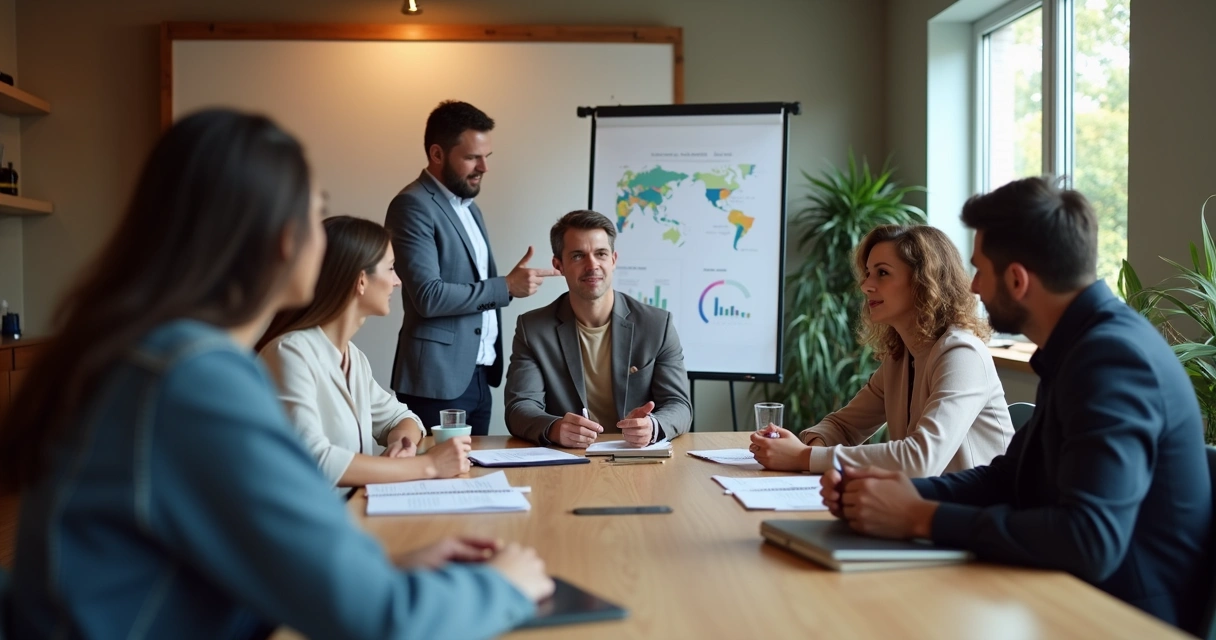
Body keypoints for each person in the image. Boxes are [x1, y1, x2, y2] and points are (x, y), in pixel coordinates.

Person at [0, 109, 552, 639]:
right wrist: (500, 585)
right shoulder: (196, 380)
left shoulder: (158, 357)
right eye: (316, 214)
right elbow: (382, 621)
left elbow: (228, 566)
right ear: (280, 238)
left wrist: (390, 565)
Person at [821, 177, 1213, 635]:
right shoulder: (1079, 347)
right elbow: (1010, 476)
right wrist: (890, 495)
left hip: (1114, 618)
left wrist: (919, 515)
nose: (971, 286)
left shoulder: (1112, 360)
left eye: (980, 270)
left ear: (1017, 279)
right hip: (1065, 596)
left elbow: (1090, 540)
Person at [750, 224, 1014, 476]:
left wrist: (803, 458)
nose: (866, 285)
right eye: (867, 273)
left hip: (978, 515)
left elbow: (921, 460)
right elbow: (842, 426)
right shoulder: (901, 357)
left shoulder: (961, 355)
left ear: (924, 282)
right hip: (925, 508)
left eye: (883, 273)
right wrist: (812, 451)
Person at [258, 215, 472, 489]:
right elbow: (312, 459)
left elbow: (404, 418)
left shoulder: (353, 358)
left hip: (352, 512)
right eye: (391, 269)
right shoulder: (289, 353)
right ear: (361, 281)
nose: (398, 282)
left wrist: (401, 443)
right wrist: (427, 465)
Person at [385, 100, 559, 436]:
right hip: (436, 382)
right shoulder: (412, 206)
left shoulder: (470, 208)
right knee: (438, 482)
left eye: (486, 157)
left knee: (474, 477)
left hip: (479, 375)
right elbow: (428, 296)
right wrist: (506, 287)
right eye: (471, 158)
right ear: (437, 154)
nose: (484, 167)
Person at [505, 210, 692, 447]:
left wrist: (653, 426)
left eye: (601, 254)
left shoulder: (657, 325)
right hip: (568, 459)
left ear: (613, 260)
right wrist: (555, 428)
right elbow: (519, 408)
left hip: (636, 457)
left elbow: (679, 405)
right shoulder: (532, 329)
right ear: (558, 265)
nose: (592, 265)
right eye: (577, 256)